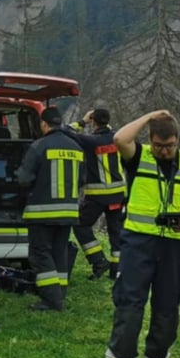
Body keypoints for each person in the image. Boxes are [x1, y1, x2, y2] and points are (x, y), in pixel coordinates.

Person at [103, 111, 180, 358]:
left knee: (167, 305)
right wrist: (150, 116)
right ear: (150, 141)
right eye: (159, 146)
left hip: (175, 244)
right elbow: (119, 138)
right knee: (130, 300)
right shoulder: (139, 157)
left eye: (170, 145)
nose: (165, 151)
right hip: (139, 241)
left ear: (177, 141)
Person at [16, 106, 85, 311]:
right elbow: (82, 180)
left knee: (40, 254)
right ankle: (59, 295)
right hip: (69, 212)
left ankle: (51, 300)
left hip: (42, 213)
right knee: (59, 252)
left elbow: (24, 179)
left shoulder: (39, 147)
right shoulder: (77, 148)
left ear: (44, 124)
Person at [68, 107, 127, 280]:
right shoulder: (118, 138)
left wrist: (82, 121)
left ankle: (98, 261)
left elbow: (64, 131)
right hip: (119, 194)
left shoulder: (90, 141)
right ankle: (117, 270)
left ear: (94, 121)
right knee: (116, 232)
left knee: (80, 225)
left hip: (98, 195)